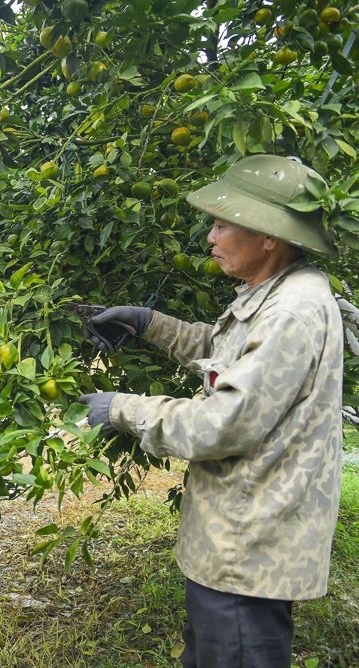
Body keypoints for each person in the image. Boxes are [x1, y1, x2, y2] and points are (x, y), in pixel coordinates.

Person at [77, 155, 344, 668]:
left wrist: (122, 409)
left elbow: (222, 423)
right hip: (236, 545)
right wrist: (148, 322)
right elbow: (228, 354)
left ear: (269, 235)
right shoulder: (274, 295)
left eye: (223, 223)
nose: (211, 237)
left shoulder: (292, 311)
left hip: (248, 553)